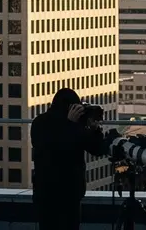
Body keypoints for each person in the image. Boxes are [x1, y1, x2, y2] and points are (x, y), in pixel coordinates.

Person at [31, 88, 107, 230]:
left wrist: (95, 130)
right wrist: (70, 125)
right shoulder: (41, 123)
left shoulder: (76, 125)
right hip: (50, 192)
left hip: (70, 193)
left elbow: (97, 149)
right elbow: (54, 149)